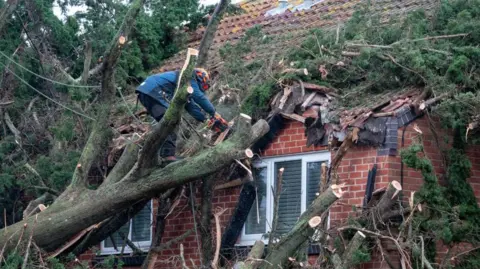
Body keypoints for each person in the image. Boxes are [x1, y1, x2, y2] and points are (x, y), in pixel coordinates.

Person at [135, 68, 227, 163]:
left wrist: (206, 120)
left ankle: (154, 157)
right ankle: (167, 156)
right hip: (154, 90)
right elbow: (199, 97)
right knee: (171, 121)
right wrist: (214, 113)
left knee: (164, 123)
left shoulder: (184, 87)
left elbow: (191, 106)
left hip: (146, 92)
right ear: (201, 78)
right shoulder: (189, 77)